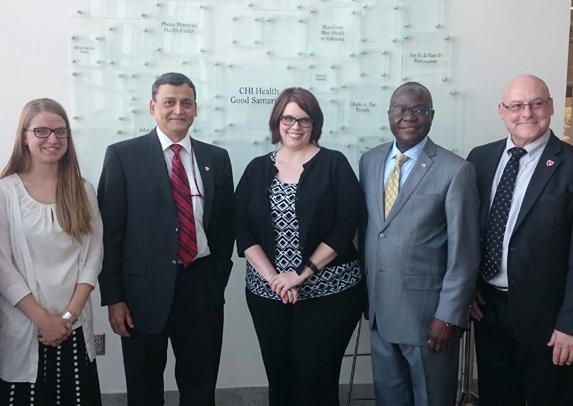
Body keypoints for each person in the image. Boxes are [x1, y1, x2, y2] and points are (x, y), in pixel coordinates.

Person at [97, 72, 235, 406]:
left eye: (186, 103)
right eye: (169, 102)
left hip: (201, 287)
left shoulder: (215, 159)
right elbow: (110, 233)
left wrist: (217, 276)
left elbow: (224, 225)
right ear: (152, 106)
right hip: (141, 294)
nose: (178, 110)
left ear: (196, 109)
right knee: (144, 389)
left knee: (200, 387)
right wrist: (113, 298)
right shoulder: (123, 156)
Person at [234, 87, 366, 405]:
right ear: (277, 121)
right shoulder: (256, 168)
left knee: (315, 383)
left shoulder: (334, 164)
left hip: (329, 294)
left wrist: (300, 274)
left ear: (315, 123)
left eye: (304, 119)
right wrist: (274, 279)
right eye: (288, 118)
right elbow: (242, 227)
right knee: (280, 379)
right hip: (268, 295)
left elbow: (346, 225)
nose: (296, 126)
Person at [359, 82, 480, 405]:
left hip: (428, 320)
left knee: (432, 400)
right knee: (389, 399)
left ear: (431, 115)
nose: (408, 116)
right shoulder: (369, 162)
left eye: (419, 109)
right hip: (381, 313)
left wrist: (449, 314)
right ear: (389, 115)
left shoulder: (456, 170)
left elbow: (464, 252)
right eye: (400, 109)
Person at [0, 98, 103, 405]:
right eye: (42, 131)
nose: (53, 139)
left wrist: (66, 318)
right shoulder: (3, 192)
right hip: (25, 329)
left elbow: (93, 257)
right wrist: (44, 321)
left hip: (72, 327)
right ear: (24, 136)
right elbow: (0, 265)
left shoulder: (82, 189)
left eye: (61, 132)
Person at [467, 74, 573, 405]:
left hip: (549, 319)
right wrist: (467, 288)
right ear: (502, 111)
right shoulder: (479, 159)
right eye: (516, 105)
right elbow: (467, 233)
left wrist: (569, 324)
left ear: (551, 106)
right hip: (489, 311)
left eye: (536, 103)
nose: (526, 113)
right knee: (496, 397)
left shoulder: (570, 164)